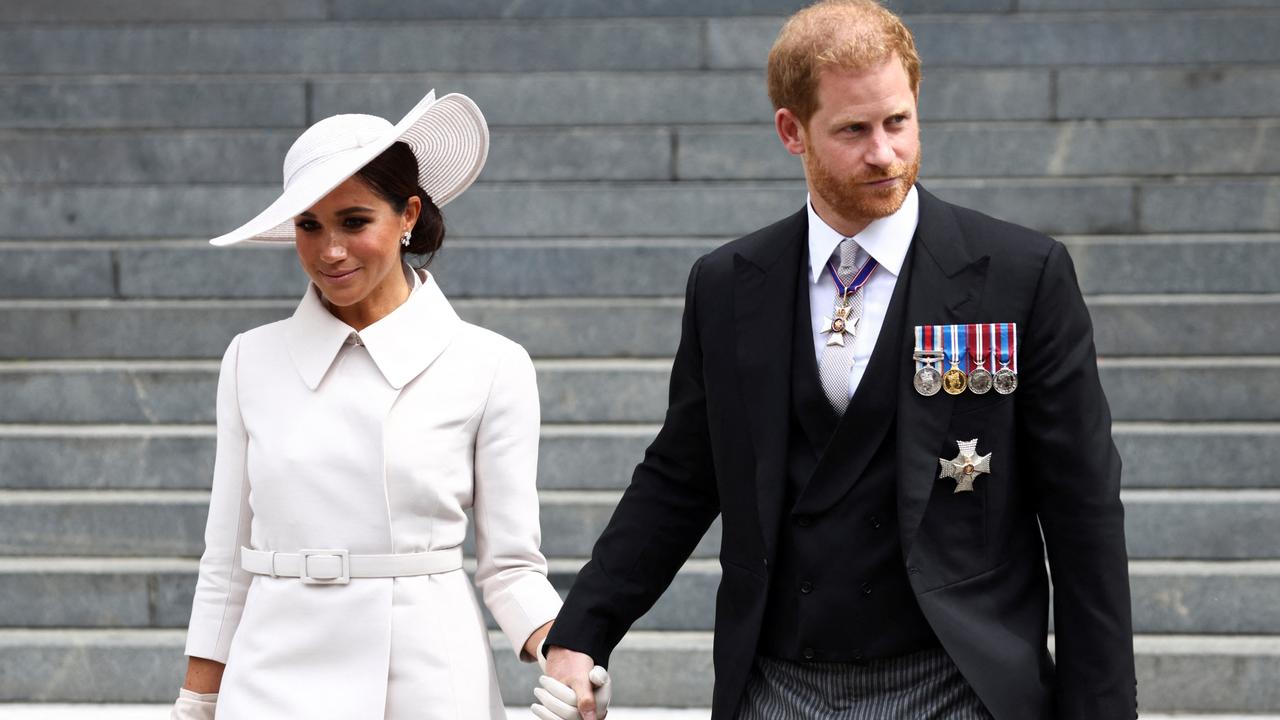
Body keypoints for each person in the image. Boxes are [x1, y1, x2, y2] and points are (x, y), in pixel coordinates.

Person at [534, 2, 1137, 719]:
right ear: (792, 131)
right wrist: (582, 634)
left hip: (958, 684)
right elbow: (680, 475)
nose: (884, 153)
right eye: (853, 130)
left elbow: (1084, 509)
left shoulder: (1019, 274)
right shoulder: (728, 285)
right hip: (776, 684)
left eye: (898, 122)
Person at [169, 91, 564, 719]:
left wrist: (565, 652)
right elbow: (226, 558)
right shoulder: (251, 359)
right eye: (308, 225)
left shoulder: (490, 364)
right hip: (272, 674)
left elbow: (512, 566)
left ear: (408, 214)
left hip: (427, 677)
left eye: (354, 222)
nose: (329, 251)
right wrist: (197, 700)